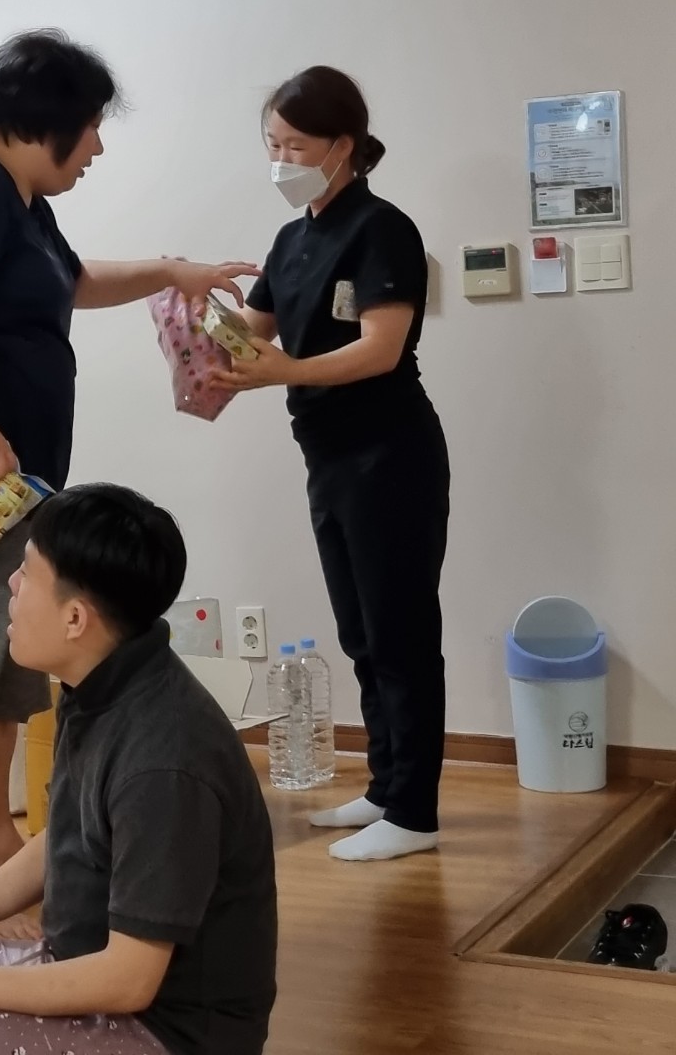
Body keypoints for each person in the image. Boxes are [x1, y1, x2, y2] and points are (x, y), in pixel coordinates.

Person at [0, 30, 258, 916]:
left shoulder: (18, 202)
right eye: (90, 128)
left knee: (2, 678)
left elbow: (71, 281)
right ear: (48, 120)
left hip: (2, 482)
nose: (97, 148)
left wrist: (171, 271)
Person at [0, 483, 278, 1055]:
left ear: (75, 618)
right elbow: (61, 839)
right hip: (88, 971)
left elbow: (130, 980)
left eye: (27, 573)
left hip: (168, 1032)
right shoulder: (104, 683)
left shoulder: (163, 761)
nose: (11, 584)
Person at [215, 66, 450, 862]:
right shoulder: (292, 240)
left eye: (295, 145)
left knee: (400, 632)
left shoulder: (383, 229)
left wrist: (285, 370)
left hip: (391, 453)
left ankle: (414, 812)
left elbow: (380, 349)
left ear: (342, 146)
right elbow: (249, 338)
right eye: (272, 144)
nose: (280, 159)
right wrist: (186, 310)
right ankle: (386, 787)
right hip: (327, 456)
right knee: (359, 633)